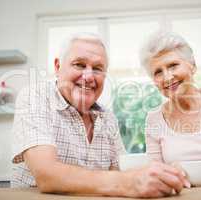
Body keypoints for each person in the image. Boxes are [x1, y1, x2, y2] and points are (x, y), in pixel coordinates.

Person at [11, 33, 188, 197]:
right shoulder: (35, 98)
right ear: (57, 66)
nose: (88, 76)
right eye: (79, 65)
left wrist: (163, 176)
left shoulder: (107, 118)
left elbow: (121, 171)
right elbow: (46, 174)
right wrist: (128, 182)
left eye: (97, 68)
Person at [140, 31, 201, 186]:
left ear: (192, 65)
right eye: (158, 72)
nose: (167, 77)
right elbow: (153, 173)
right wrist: (168, 172)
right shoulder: (154, 119)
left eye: (173, 65)